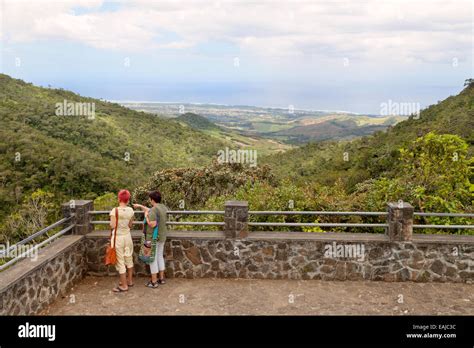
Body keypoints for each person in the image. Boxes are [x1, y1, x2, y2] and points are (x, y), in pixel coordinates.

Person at [133, 190, 168, 288]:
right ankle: (161, 279)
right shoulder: (163, 208)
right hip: (162, 236)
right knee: (159, 256)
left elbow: (152, 224)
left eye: (150, 199)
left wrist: (146, 216)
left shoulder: (153, 211)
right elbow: (151, 209)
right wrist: (140, 206)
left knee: (151, 259)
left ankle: (154, 282)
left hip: (152, 238)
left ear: (152, 199)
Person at [110, 189, 135, 292]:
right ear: (128, 200)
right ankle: (129, 281)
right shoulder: (131, 210)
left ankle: (124, 285)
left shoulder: (114, 211)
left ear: (119, 199)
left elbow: (113, 225)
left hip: (118, 238)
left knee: (121, 262)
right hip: (128, 237)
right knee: (128, 259)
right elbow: (130, 225)